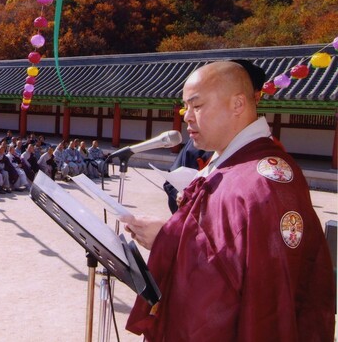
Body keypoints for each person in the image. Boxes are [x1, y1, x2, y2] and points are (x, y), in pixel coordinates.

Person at [123, 61, 335, 340]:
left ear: (238, 104)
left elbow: (264, 295)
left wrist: (168, 238)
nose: (186, 116)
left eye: (196, 106)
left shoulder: (266, 182)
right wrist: (171, 234)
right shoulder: (231, 164)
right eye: (186, 107)